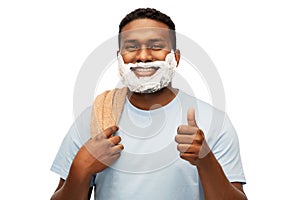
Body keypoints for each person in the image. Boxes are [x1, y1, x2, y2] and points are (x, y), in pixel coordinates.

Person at [50, 8, 247, 200]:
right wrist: (81, 168)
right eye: (132, 47)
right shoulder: (94, 119)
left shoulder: (214, 121)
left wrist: (206, 160)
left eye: (155, 45)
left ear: (175, 57)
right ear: (119, 58)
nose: (143, 56)